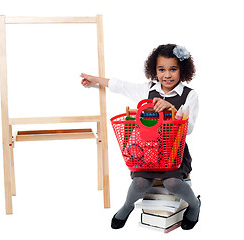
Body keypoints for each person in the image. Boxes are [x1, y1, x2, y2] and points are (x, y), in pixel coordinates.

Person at [80, 44, 201, 230]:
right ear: (155, 70)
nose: (167, 75)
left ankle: (194, 205)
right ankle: (127, 206)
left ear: (182, 70)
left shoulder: (189, 95)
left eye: (173, 69)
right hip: (148, 152)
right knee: (140, 182)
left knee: (173, 183)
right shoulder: (148, 90)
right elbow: (121, 86)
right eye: (161, 69)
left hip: (174, 153)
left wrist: (173, 109)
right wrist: (95, 80)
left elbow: (189, 128)